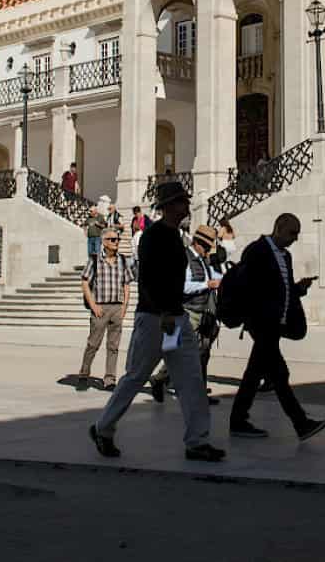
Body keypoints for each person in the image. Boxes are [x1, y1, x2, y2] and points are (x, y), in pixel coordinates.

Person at [89, 182, 224, 463]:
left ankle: (198, 441)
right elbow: (148, 279)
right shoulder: (153, 236)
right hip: (154, 317)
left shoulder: (177, 237)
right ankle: (103, 428)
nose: (186, 207)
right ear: (169, 206)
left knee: (191, 379)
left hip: (176, 317)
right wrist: (163, 314)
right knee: (136, 376)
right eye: (181, 203)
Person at [228, 213, 325, 442]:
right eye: (292, 232)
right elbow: (249, 287)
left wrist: (299, 289)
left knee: (256, 374)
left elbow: (282, 290)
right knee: (278, 374)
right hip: (261, 323)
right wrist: (255, 316)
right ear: (279, 227)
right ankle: (300, 423)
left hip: (275, 324)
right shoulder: (257, 251)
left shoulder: (286, 257)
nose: (295, 238)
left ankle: (238, 420)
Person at [150, 224, 222, 405]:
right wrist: (207, 285)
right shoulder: (184, 258)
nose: (207, 250)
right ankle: (160, 379)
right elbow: (182, 286)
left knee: (203, 353)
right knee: (179, 352)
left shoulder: (203, 260)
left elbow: (213, 276)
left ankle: (199, 394)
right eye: (205, 246)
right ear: (197, 243)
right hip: (188, 311)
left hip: (204, 311)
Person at [78, 228, 132, 392]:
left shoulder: (122, 260)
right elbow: (85, 282)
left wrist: (124, 307)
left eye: (117, 239)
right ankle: (84, 374)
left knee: (113, 346)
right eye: (112, 240)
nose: (116, 242)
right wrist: (93, 305)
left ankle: (110, 379)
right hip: (100, 307)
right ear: (104, 242)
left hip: (116, 306)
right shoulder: (95, 260)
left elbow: (127, 284)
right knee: (93, 343)